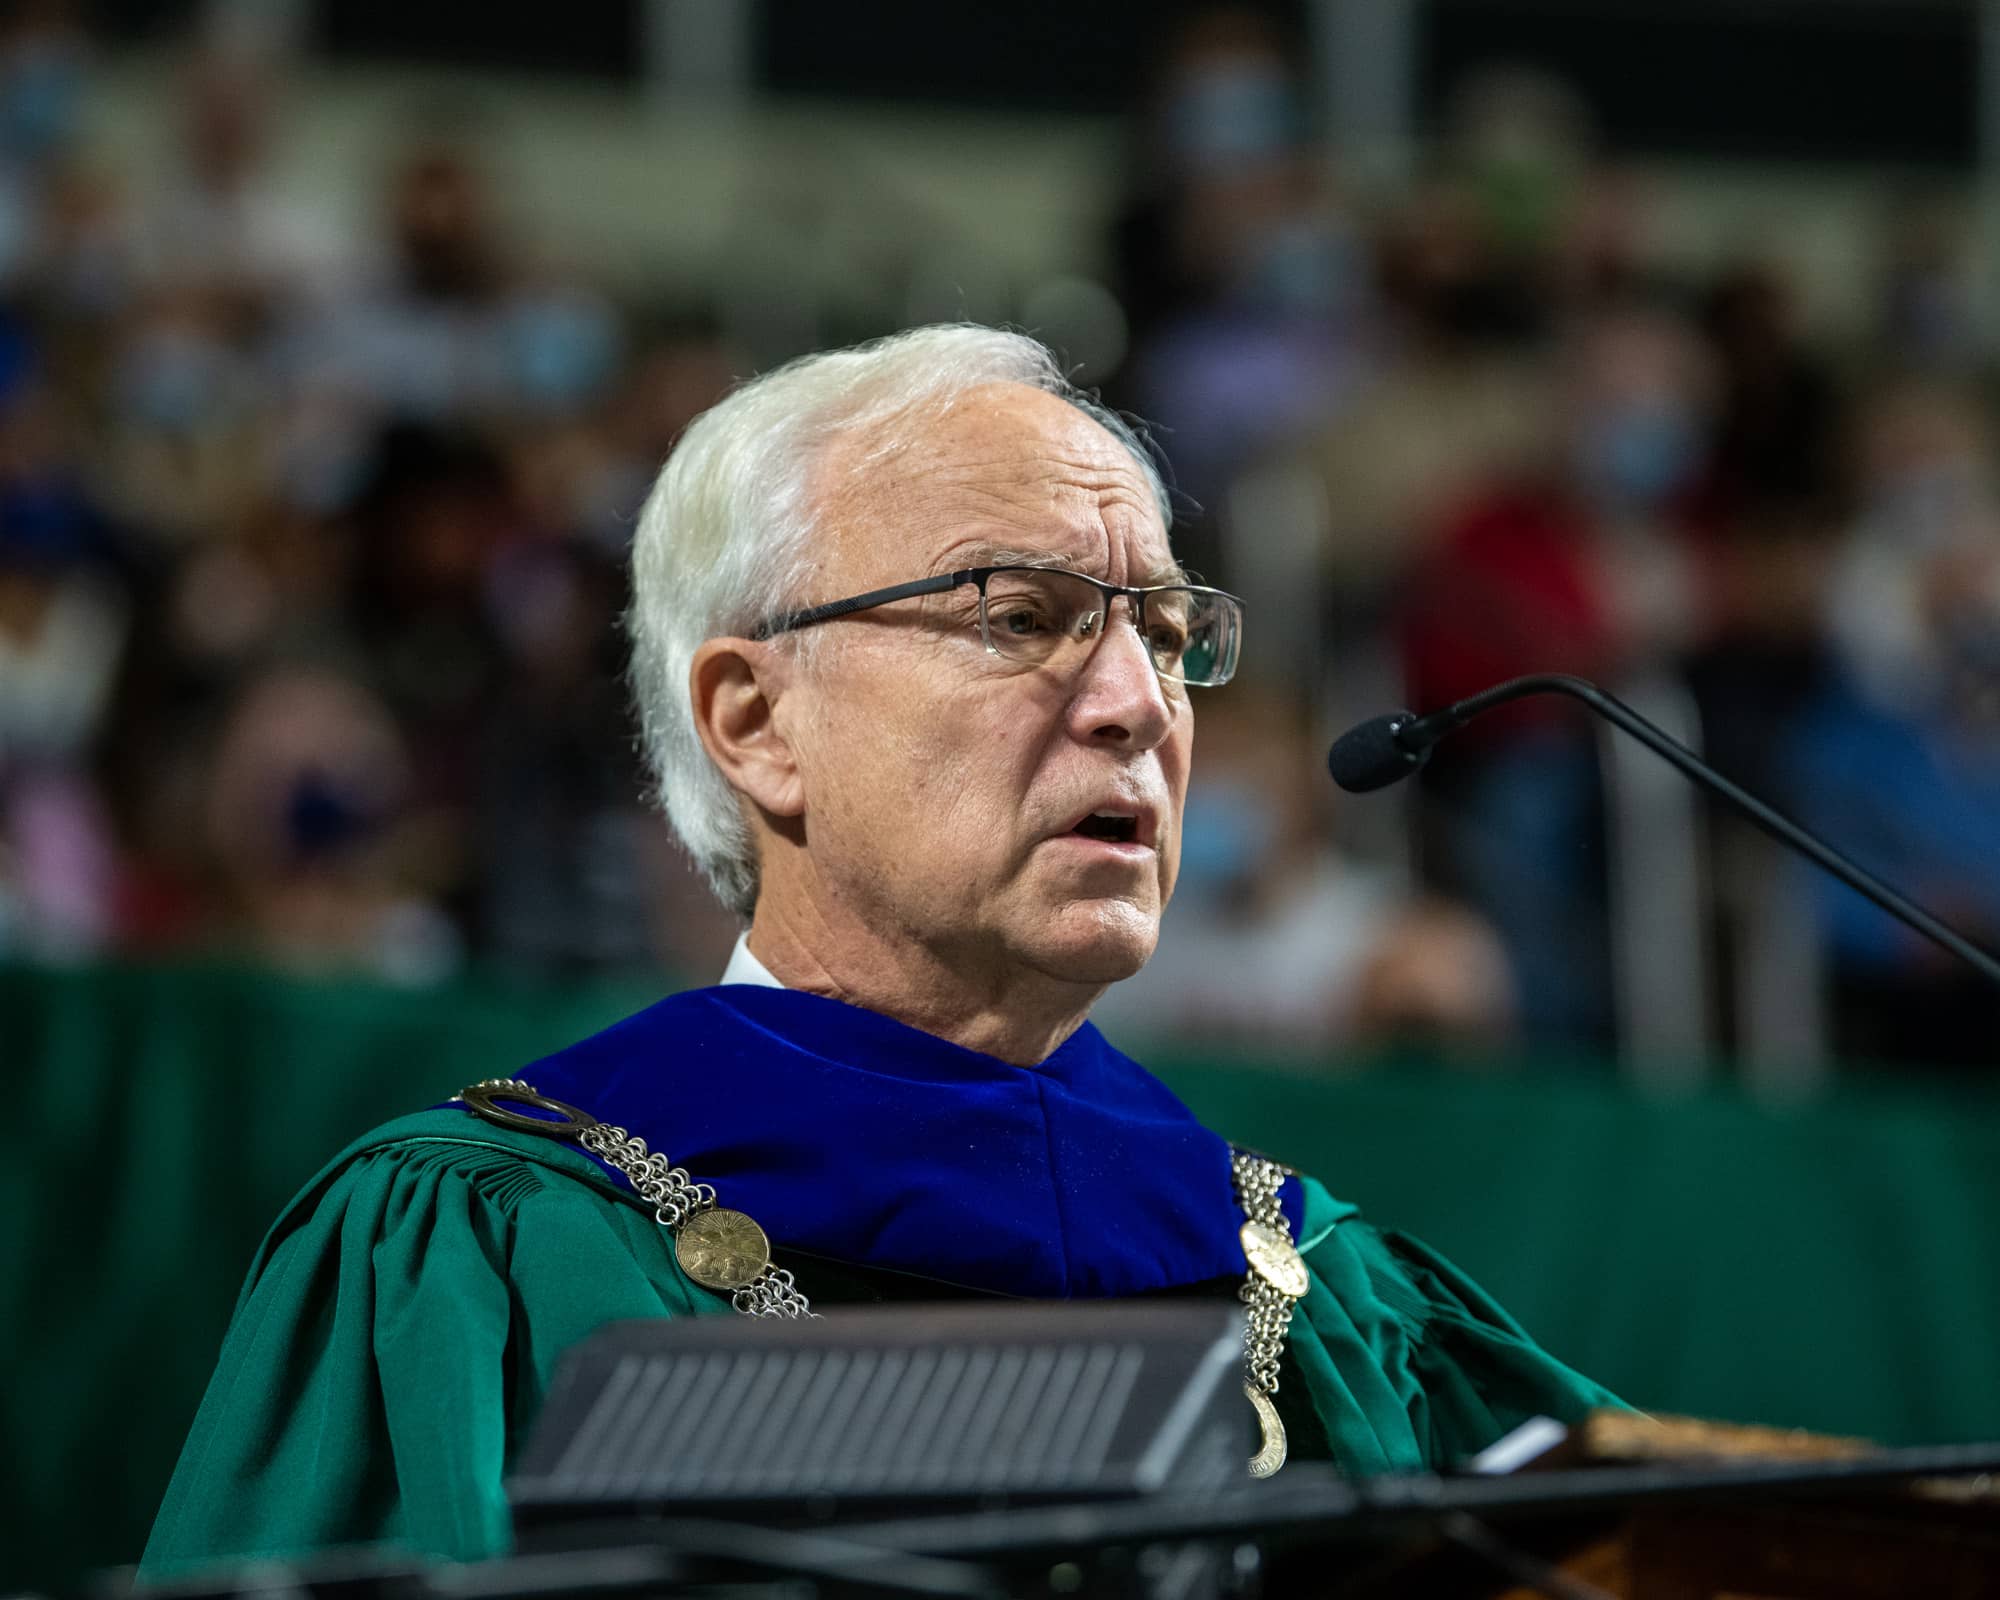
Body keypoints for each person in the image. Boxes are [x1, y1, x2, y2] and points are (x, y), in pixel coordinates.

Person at [142, 325, 1617, 1575]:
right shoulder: (493, 1257)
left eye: (1164, 633)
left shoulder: (1326, 1300)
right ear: (755, 723)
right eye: (1022, 615)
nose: (1136, 706)